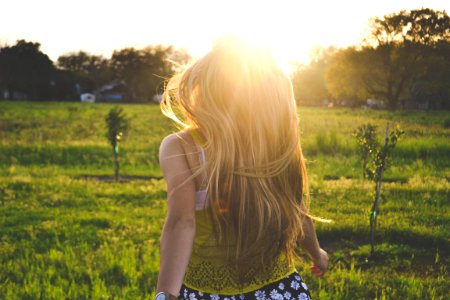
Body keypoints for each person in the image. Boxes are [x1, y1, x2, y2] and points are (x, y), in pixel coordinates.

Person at [155, 38, 329, 300]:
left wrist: (165, 293)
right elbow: (296, 210)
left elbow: (182, 222)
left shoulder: (181, 146)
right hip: (279, 290)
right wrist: (317, 253)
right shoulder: (275, 145)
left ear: (203, 90)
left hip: (208, 292)